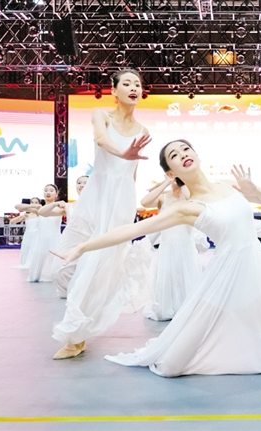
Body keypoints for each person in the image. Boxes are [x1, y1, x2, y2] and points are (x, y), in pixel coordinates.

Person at [52, 139, 261, 377]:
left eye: (186, 149)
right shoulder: (186, 207)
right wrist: (84, 247)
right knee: (176, 360)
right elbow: (133, 229)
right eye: (174, 155)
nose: (183, 154)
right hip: (228, 270)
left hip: (256, 266)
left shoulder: (227, 185)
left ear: (196, 155)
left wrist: (254, 190)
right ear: (170, 173)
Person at [51, 69, 154, 360]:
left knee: (103, 266)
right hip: (97, 197)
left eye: (137, 84)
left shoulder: (144, 130)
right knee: (69, 265)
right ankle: (78, 328)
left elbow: (132, 173)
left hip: (121, 203)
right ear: (114, 90)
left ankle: (76, 335)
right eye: (127, 83)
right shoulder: (102, 115)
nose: (133, 88)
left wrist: (132, 208)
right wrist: (123, 153)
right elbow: (101, 140)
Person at [139, 176, 205, 321]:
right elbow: (145, 202)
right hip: (167, 245)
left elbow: (192, 199)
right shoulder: (163, 197)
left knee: (187, 276)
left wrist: (183, 181)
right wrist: (165, 183)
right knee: (167, 276)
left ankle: (187, 308)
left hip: (186, 244)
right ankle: (167, 307)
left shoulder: (188, 196)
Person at [39, 175, 88, 298]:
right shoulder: (69, 206)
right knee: (57, 270)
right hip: (70, 240)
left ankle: (85, 294)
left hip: (89, 240)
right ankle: (70, 293)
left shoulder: (99, 205)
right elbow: (42, 212)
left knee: (88, 268)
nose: (82, 185)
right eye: (79, 183)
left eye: (85, 183)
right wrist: (55, 204)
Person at [25, 185, 63, 282]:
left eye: (51, 190)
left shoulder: (60, 208)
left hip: (54, 239)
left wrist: (56, 204)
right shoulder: (39, 209)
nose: (48, 192)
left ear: (56, 194)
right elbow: (18, 207)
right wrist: (33, 206)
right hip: (41, 239)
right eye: (46, 190)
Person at [11, 197, 42, 269]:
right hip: (27, 235)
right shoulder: (27, 215)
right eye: (32, 202)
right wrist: (22, 216)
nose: (34, 204)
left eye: (36, 202)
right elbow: (12, 221)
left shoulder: (39, 213)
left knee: (34, 250)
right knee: (27, 249)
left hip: (36, 235)